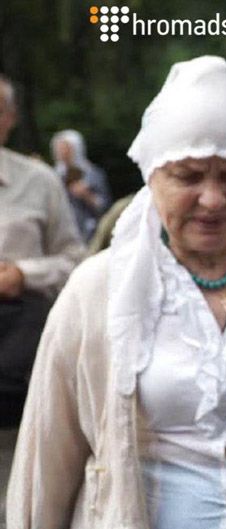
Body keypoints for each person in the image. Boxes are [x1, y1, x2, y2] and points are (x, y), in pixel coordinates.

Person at [7, 56, 226, 528]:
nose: (212, 199)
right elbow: (47, 457)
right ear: (153, 177)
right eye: (189, 176)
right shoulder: (97, 291)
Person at [0, 74, 85, 424]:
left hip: (19, 353)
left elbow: (76, 261)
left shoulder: (39, 181)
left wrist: (24, 274)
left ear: (10, 119)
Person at [51, 129, 113, 241]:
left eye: (66, 148)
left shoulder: (92, 174)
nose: (63, 153)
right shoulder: (53, 176)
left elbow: (105, 207)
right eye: (59, 149)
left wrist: (87, 195)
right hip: (62, 234)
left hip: (90, 232)